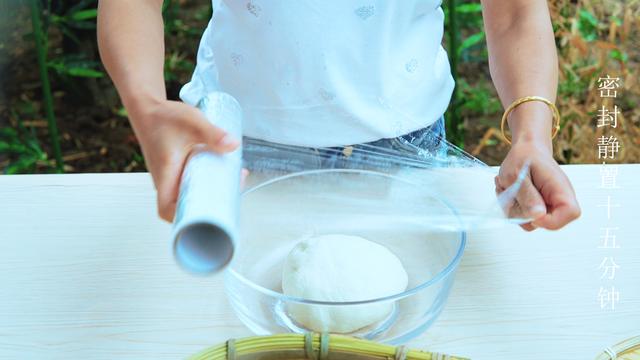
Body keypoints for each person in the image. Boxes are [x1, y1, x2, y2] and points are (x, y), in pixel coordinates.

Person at [97, 0, 580, 231]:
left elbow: (515, 13)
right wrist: (147, 107)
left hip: (405, 146)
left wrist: (532, 137)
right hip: (233, 153)